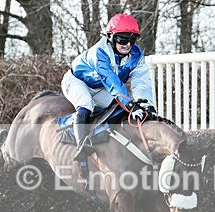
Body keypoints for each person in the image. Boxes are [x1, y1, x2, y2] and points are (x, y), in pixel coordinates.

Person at [62, 12, 157, 162]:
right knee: (86, 104)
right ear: (111, 37)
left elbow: (141, 81)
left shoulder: (137, 55)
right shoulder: (100, 52)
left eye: (132, 40)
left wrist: (147, 105)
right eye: (122, 39)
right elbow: (111, 81)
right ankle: (82, 144)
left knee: (116, 106)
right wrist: (131, 105)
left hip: (100, 87)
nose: (127, 44)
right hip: (77, 81)